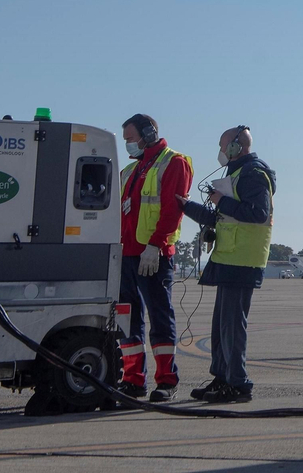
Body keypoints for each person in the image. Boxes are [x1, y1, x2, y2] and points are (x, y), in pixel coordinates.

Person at [178, 126, 275, 404]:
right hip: (229, 257)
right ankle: (222, 378)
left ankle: (238, 383)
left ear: (236, 147)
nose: (220, 152)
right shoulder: (236, 173)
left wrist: (222, 201)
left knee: (232, 326)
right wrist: (187, 207)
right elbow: (221, 218)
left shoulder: (254, 173)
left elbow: (258, 214)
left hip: (242, 260)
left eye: (223, 146)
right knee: (221, 326)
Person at [116, 114, 192, 402]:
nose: (128, 145)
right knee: (128, 319)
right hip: (126, 255)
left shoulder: (173, 163)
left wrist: (156, 245)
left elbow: (172, 211)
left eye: (131, 139)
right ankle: (133, 380)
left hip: (152, 255)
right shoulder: (130, 171)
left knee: (160, 316)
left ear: (148, 133)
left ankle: (166, 380)